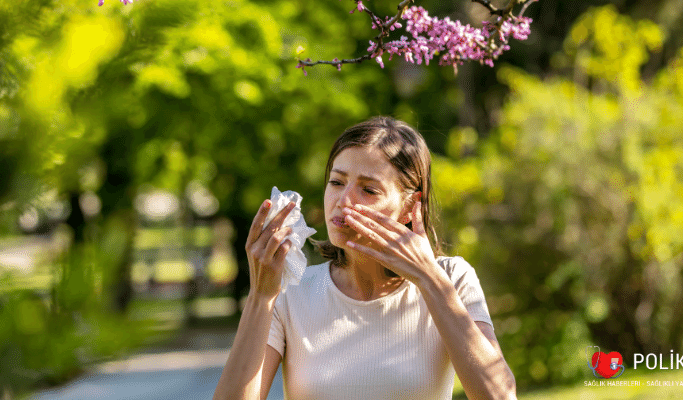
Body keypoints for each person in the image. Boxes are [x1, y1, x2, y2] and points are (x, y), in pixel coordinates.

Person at [213, 116, 517, 400]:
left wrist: (430, 279)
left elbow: (500, 395)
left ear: (411, 205)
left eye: (368, 190)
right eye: (336, 182)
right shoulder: (291, 293)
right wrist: (260, 296)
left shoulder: (452, 279)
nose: (342, 202)